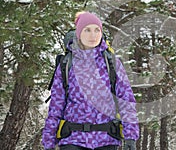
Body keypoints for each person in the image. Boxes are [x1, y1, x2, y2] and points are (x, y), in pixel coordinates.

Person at [42, 11, 139, 150]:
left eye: (96, 30)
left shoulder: (111, 63)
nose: (93, 35)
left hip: (107, 139)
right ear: (79, 33)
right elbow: (56, 106)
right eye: (87, 30)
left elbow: (127, 101)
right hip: (73, 139)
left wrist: (130, 136)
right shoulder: (66, 64)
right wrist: (48, 140)